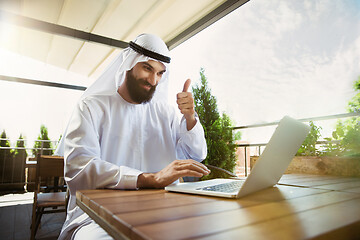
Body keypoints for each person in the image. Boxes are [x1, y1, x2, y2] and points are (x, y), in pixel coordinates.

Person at [56, 33, 209, 240]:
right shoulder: (91, 107)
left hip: (162, 210)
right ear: (130, 63)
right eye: (147, 68)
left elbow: (196, 154)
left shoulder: (166, 113)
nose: (153, 80)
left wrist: (190, 116)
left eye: (160, 73)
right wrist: (149, 179)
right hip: (98, 216)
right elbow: (79, 169)